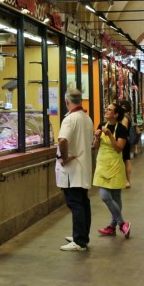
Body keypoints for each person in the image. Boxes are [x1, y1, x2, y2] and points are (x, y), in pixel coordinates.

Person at [56, 88, 94, 252]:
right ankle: (82, 236)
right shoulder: (86, 118)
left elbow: (63, 139)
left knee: (75, 204)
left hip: (72, 169)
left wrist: (64, 157)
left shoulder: (70, 119)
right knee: (83, 202)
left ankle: (79, 241)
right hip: (83, 166)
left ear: (67, 102)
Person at [92, 102, 130, 238]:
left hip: (115, 165)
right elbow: (96, 146)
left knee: (115, 196)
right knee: (104, 196)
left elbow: (119, 148)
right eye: (106, 109)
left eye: (109, 110)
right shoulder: (101, 126)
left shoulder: (121, 129)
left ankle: (112, 227)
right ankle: (122, 223)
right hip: (102, 164)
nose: (106, 111)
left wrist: (109, 135)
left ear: (116, 114)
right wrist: (96, 138)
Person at [117, 100, 133, 187]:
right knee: (127, 160)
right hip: (127, 140)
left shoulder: (124, 117)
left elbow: (124, 130)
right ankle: (127, 180)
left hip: (124, 140)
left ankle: (127, 180)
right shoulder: (129, 116)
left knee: (125, 160)